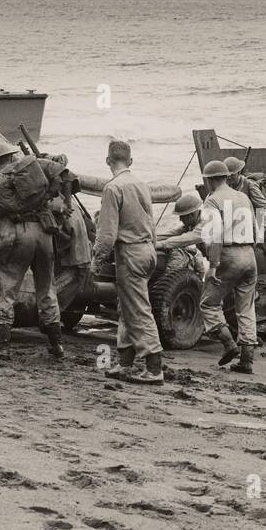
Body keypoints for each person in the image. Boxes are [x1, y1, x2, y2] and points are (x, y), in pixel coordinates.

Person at [0, 142, 64, 360]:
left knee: (7, 288)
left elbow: (2, 208)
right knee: (47, 289)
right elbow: (61, 176)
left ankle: (2, 346)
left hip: (19, 234)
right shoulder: (35, 169)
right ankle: (57, 344)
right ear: (10, 157)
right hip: (45, 234)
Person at [92, 139, 164, 384]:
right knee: (127, 308)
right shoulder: (142, 185)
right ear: (130, 161)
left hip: (130, 253)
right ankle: (125, 362)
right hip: (147, 250)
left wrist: (96, 261)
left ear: (107, 161)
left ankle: (154, 367)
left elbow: (107, 234)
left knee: (138, 310)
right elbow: (151, 222)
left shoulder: (113, 188)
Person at [194, 160, 258, 373]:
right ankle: (247, 360)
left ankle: (229, 344)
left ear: (210, 180)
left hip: (229, 255)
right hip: (249, 253)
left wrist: (213, 266)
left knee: (208, 304)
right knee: (246, 308)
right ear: (226, 177)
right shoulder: (243, 196)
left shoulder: (212, 201)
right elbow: (255, 230)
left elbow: (215, 236)